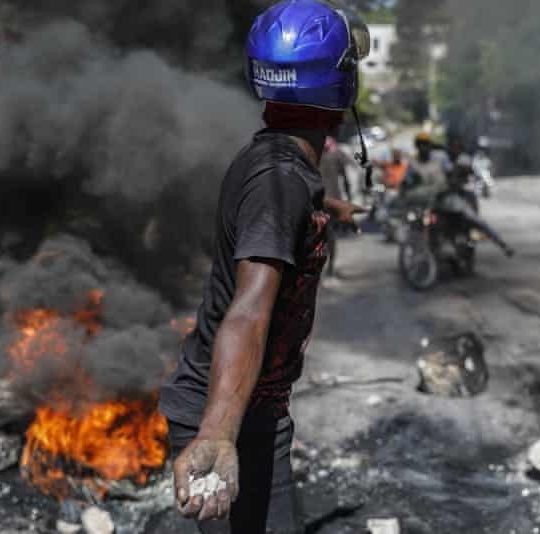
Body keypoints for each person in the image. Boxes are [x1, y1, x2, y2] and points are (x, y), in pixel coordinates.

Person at [158, 2, 369, 532]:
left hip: (251, 410)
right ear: (340, 85)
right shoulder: (281, 182)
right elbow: (248, 312)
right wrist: (218, 434)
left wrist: (331, 210)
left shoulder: (282, 162)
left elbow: (293, 205)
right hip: (231, 413)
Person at [319, 136, 357, 276]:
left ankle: (320, 266)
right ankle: (330, 267)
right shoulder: (337, 155)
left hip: (317, 200)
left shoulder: (313, 155)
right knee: (331, 235)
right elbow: (346, 179)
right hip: (334, 200)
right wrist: (349, 198)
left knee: (318, 234)